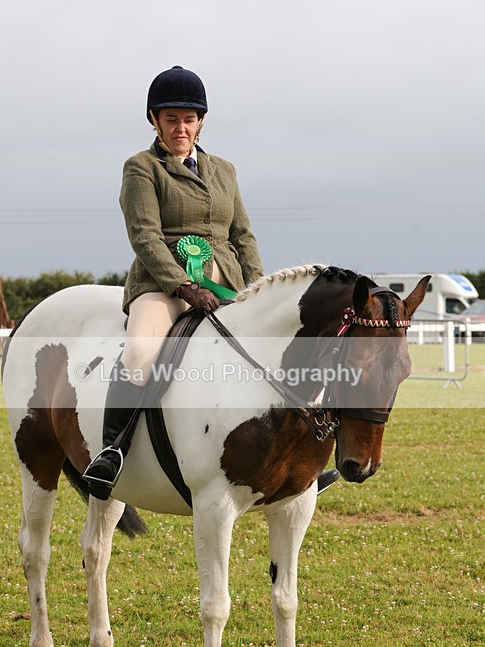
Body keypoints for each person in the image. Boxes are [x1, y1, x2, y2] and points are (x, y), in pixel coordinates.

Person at [84, 66, 339, 500]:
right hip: (162, 285)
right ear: (154, 119)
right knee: (138, 355)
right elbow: (144, 235)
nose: (180, 127)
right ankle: (112, 451)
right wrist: (183, 286)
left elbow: (242, 235)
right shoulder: (141, 168)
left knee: (285, 351)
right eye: (170, 119)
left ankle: (305, 462)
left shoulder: (224, 170)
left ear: (201, 121)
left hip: (229, 285)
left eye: (188, 119)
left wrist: (262, 293)